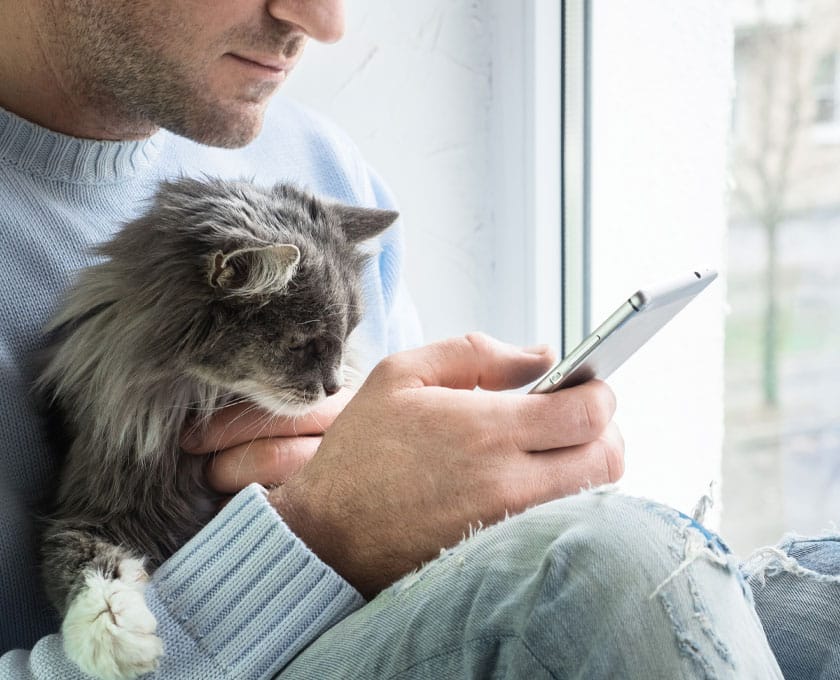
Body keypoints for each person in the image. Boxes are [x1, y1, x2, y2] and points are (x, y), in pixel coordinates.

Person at [0, 1, 834, 678]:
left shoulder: (314, 160)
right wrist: (321, 537)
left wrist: (464, 483)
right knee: (617, 565)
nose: (326, 23)